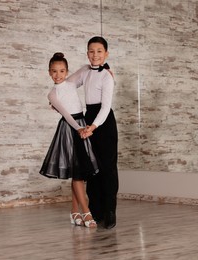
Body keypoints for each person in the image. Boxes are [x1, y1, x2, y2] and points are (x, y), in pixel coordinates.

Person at [39, 52, 98, 228]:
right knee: (77, 173)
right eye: (54, 71)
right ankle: (86, 212)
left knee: (78, 172)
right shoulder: (52, 94)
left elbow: (87, 67)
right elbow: (66, 114)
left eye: (62, 71)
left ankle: (74, 211)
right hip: (70, 128)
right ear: (49, 72)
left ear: (66, 71)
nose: (58, 75)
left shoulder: (71, 82)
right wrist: (78, 128)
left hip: (81, 125)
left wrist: (107, 69)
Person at [67, 36, 119, 229]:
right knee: (91, 167)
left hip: (103, 123)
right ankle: (95, 210)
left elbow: (106, 108)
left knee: (107, 168)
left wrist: (93, 127)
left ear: (106, 54)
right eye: (91, 51)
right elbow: (67, 85)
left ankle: (110, 211)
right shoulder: (84, 71)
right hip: (89, 118)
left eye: (99, 51)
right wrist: (55, 98)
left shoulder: (107, 76)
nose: (95, 55)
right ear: (87, 53)